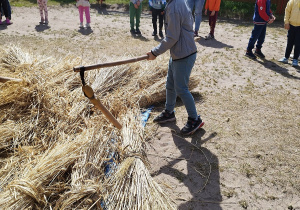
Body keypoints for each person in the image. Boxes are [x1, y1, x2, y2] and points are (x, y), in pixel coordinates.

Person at [147, 0, 204, 136]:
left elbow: (172, 37)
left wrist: (155, 52)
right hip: (178, 53)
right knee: (170, 85)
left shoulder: (174, 6)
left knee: (181, 88)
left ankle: (194, 119)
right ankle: (169, 112)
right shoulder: (176, 2)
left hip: (184, 54)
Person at [278, 0, 300, 67]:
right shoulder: (292, 1)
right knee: (289, 42)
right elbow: (287, 11)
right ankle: (286, 57)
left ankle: (295, 59)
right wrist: (286, 22)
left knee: (298, 43)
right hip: (291, 26)